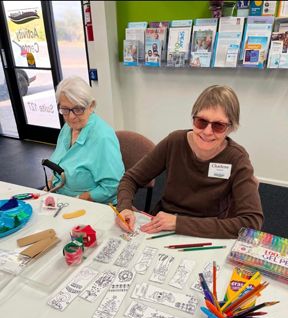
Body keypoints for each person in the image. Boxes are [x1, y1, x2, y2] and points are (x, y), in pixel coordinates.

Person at [115, 85, 263, 239]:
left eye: (219, 125)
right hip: (162, 224)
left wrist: (179, 223)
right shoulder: (175, 142)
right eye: (201, 121)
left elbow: (252, 222)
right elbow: (131, 179)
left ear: (231, 128)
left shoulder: (236, 158)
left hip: (207, 231)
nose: (207, 131)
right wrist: (124, 207)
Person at [47, 76, 124, 205]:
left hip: (92, 205)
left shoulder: (102, 138)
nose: (71, 116)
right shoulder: (67, 128)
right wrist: (49, 187)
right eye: (65, 109)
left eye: (78, 109)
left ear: (91, 106)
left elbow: (112, 187)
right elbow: (60, 164)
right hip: (61, 197)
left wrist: (77, 201)